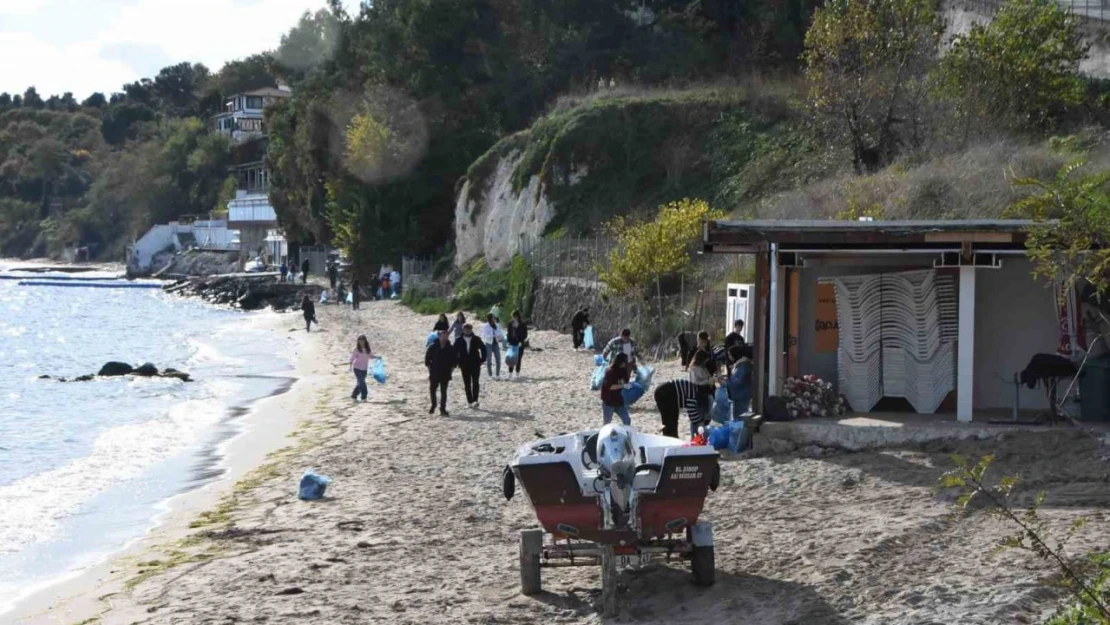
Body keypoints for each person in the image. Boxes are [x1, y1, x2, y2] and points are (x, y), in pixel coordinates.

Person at [454, 323, 487, 408]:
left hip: (475, 364)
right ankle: (469, 401)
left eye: (469, 329)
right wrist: (456, 362)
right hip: (464, 365)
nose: (467, 330)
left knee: (476, 382)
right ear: (463, 330)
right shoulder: (458, 340)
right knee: (467, 384)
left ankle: (475, 401)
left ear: (471, 329)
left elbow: (483, 348)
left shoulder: (476, 339)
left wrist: (483, 359)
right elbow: (454, 352)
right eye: (465, 329)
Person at [425, 329, 457, 416]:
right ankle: (433, 405)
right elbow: (427, 360)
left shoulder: (450, 348)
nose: (444, 337)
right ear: (438, 336)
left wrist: (451, 371)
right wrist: (430, 371)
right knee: (432, 390)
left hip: (445, 373)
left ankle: (442, 409)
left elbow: (454, 362)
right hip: (434, 372)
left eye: (446, 335)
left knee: (444, 391)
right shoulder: (433, 347)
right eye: (442, 335)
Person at [601, 353, 633, 426]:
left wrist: (628, 385)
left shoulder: (623, 371)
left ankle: (626, 434)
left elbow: (624, 382)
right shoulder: (610, 372)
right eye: (626, 361)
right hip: (608, 401)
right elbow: (610, 387)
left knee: (627, 420)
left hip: (619, 401)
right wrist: (623, 385)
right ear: (621, 362)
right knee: (607, 423)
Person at [726, 344, 753, 417]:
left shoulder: (743, 366)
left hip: (741, 396)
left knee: (740, 417)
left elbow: (737, 381)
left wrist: (726, 382)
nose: (729, 357)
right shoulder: (739, 364)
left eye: (730, 355)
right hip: (738, 395)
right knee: (737, 416)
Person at [349, 335, 376, 402]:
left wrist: (377, 357)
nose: (361, 341)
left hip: (364, 369)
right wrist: (350, 365)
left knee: (360, 383)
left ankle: (353, 396)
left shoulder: (367, 349)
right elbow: (352, 358)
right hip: (357, 368)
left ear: (365, 341)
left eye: (362, 340)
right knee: (362, 382)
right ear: (358, 341)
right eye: (360, 340)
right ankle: (364, 397)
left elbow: (371, 356)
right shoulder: (356, 350)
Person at [480, 313, 504, 379]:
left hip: (496, 343)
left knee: (498, 359)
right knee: (489, 359)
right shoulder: (485, 326)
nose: (495, 318)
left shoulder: (497, 325)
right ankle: (490, 375)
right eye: (493, 317)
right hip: (488, 344)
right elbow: (484, 335)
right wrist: (492, 336)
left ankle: (497, 374)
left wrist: (500, 337)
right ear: (490, 318)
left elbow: (500, 333)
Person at [506, 310, 528, 379]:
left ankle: (517, 373)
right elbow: (508, 334)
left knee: (519, 358)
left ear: (517, 316)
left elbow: (525, 334)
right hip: (512, 343)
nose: (513, 318)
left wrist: (521, 341)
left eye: (514, 317)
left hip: (520, 343)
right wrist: (508, 342)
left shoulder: (522, 324)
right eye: (512, 317)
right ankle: (510, 374)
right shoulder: (510, 324)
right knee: (511, 357)